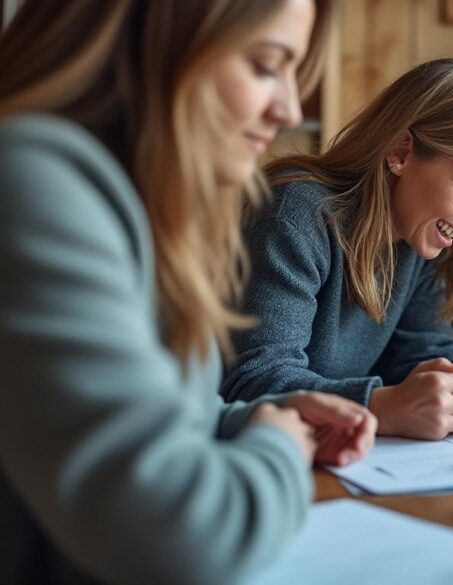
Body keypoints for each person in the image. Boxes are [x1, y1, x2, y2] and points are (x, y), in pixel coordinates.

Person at [0, 1, 378, 583]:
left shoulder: (141, 198)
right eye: (264, 65)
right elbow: (179, 538)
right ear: (160, 40)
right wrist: (277, 451)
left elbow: (165, 417)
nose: (288, 109)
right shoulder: (30, 184)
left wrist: (257, 421)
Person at [220, 58, 453, 440]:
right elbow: (252, 382)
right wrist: (380, 406)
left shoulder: (419, 237)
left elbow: (421, 358)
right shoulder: (294, 218)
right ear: (401, 151)